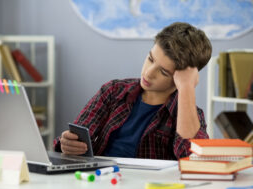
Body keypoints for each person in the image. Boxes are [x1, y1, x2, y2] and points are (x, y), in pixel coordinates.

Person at [53, 22, 212, 160]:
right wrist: (66, 144)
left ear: (181, 78)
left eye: (163, 72)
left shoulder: (190, 115)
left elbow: (194, 159)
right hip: (102, 180)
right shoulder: (114, 91)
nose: (149, 73)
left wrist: (186, 88)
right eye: (150, 59)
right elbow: (75, 136)